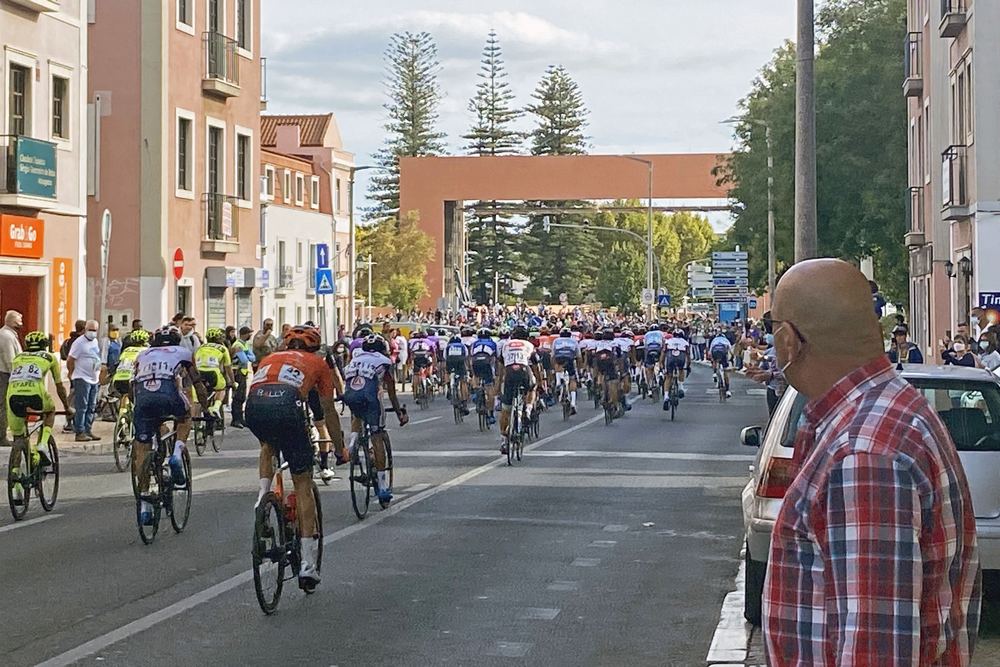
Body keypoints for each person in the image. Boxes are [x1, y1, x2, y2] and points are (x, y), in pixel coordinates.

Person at [762, 258, 980, 665]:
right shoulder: (883, 415)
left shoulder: (863, 453)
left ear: (788, 340)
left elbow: (874, 647)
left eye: (770, 329)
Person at [245, 325, 344, 590]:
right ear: (314, 346)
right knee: (302, 483)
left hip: (254, 406)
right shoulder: (318, 363)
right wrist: (339, 448)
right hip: (288, 406)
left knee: (267, 444)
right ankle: (308, 566)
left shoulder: (268, 359)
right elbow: (328, 411)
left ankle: (262, 498)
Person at [131, 326, 211, 524]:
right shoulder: (184, 352)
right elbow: (197, 383)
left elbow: (133, 383)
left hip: (142, 398)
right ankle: (176, 452)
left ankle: (144, 505)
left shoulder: (142, 354)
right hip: (168, 391)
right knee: (185, 416)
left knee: (142, 446)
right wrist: (206, 410)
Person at [6, 331, 73, 505]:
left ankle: (16, 486)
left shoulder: (18, 358)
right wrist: (67, 408)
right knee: (49, 412)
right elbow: (59, 387)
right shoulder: (50, 357)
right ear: (45, 345)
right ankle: (43, 443)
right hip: (35, 395)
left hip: (13, 396)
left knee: (19, 438)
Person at [341, 334, 408, 505]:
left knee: (357, 413)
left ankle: (353, 445)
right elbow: (391, 391)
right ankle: (383, 485)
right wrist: (399, 411)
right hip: (370, 397)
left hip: (350, 395)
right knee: (377, 436)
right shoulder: (384, 361)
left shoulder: (354, 359)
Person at [497, 324, 541, 455]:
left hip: (509, 372)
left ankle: (504, 440)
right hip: (523, 370)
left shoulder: (506, 344)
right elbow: (536, 365)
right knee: (532, 388)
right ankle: (527, 409)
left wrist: (499, 384)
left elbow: (501, 367)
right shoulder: (529, 345)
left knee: (506, 408)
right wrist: (540, 382)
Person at [68, 319, 105, 442]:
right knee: (81, 406)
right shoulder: (79, 343)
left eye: (95, 330)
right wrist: (71, 373)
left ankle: (88, 430)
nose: (92, 332)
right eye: (90, 330)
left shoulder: (95, 341)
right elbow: (71, 359)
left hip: (94, 378)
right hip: (82, 377)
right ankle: (80, 431)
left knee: (91, 406)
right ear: (85, 330)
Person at [194, 327, 235, 423]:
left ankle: (196, 423)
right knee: (221, 389)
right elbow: (228, 367)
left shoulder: (200, 347)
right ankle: (216, 408)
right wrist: (232, 382)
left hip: (199, 372)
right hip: (213, 371)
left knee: (197, 398)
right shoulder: (223, 348)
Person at [0, 309, 23, 447]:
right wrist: (16, 377)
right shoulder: (6, 336)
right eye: (20, 321)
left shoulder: (8, 334)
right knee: (3, 405)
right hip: (5, 374)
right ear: (14, 322)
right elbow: (10, 360)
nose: (22, 323)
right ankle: (1, 436)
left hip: (7, 374)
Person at [470, 328, 498, 425]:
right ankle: (490, 414)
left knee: (475, 376)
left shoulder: (475, 343)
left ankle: (475, 391)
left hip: (476, 362)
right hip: (486, 363)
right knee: (489, 387)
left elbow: (471, 356)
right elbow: (497, 358)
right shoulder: (493, 343)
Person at [229, 326, 254, 428]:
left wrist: (248, 355)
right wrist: (248, 355)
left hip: (242, 372)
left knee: (242, 396)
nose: (250, 336)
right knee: (238, 397)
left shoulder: (244, 344)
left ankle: (240, 418)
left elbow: (252, 357)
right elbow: (244, 360)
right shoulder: (238, 345)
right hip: (237, 372)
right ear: (244, 334)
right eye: (249, 334)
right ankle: (236, 419)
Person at [551, 327, 581, 415]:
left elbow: (552, 356)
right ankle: (573, 403)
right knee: (572, 379)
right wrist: (579, 369)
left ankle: (558, 382)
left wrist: (553, 368)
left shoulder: (556, 341)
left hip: (559, 358)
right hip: (569, 358)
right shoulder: (574, 341)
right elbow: (579, 357)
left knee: (557, 363)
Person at [661, 328, 690, 407]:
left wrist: (662, 363)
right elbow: (688, 355)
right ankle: (681, 387)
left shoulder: (668, 341)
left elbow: (663, 353)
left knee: (668, 377)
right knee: (681, 370)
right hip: (681, 358)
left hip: (670, 358)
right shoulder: (685, 342)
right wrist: (688, 366)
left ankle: (666, 397)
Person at [444, 333, 470, 414]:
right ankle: (464, 402)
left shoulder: (448, 346)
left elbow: (445, 357)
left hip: (450, 361)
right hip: (460, 361)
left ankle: (448, 387)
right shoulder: (462, 346)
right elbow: (466, 356)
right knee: (463, 381)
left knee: (447, 372)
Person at [708, 330, 734, 399]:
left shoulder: (714, 340)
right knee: (726, 370)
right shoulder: (726, 340)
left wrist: (711, 359)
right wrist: (731, 359)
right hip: (723, 351)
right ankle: (728, 390)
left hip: (715, 351)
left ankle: (714, 373)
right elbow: (731, 351)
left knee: (714, 360)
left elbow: (710, 352)